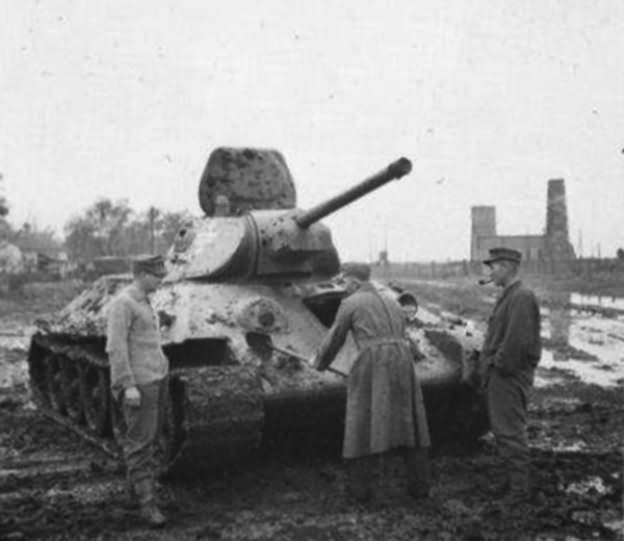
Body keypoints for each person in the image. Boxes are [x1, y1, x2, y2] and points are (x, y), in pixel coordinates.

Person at [312, 263, 431, 502]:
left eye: (344, 281)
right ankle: (420, 487)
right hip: (402, 360)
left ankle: (360, 492)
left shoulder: (350, 303)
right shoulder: (392, 301)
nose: (342, 286)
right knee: (411, 424)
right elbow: (404, 334)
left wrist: (318, 362)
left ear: (354, 282)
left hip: (373, 361)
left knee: (361, 423)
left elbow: (335, 338)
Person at [106, 254, 169, 527]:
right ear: (142, 274)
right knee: (140, 444)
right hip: (140, 384)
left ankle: (138, 491)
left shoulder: (144, 301)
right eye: (157, 275)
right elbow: (115, 347)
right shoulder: (123, 303)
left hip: (156, 378)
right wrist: (127, 384)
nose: (161, 279)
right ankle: (148, 507)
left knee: (150, 439)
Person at [480, 247, 541, 506]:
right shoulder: (511, 295)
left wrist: (497, 366)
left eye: (493, 266)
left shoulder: (521, 297)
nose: (490, 271)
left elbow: (517, 341)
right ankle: (511, 481)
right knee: (503, 431)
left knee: (511, 432)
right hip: (503, 375)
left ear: (505, 266)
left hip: (508, 376)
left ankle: (519, 490)